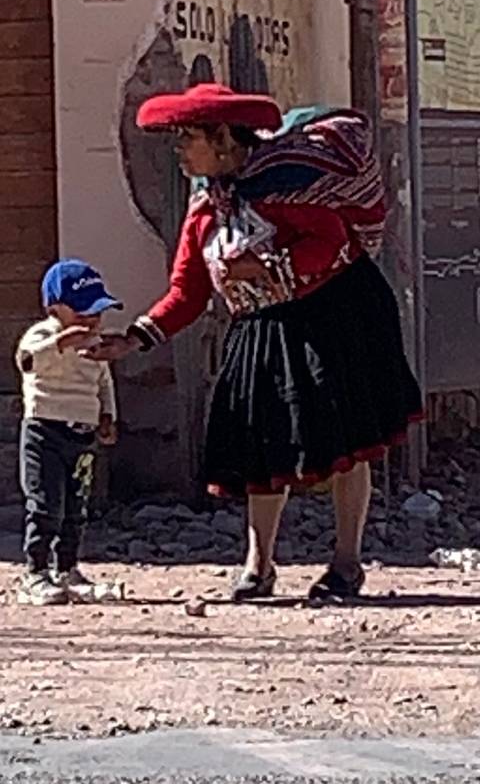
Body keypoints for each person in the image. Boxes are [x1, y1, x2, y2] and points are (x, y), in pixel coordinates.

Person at [86, 83, 422, 603]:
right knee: (262, 443)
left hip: (334, 315)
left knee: (345, 440)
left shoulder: (281, 186)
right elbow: (188, 290)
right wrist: (134, 338)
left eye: (187, 139)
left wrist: (267, 266)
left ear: (222, 139)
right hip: (262, 326)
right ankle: (258, 565)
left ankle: (346, 563)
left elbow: (330, 241)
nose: (179, 151)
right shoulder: (206, 208)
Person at [15, 259, 121, 606]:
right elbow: (27, 362)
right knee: (46, 504)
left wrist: (108, 414)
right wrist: (60, 343)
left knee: (77, 507)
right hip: (45, 432)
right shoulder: (41, 336)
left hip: (83, 434)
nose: (91, 321)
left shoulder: (96, 345)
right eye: (82, 313)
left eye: (97, 312)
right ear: (53, 309)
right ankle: (35, 573)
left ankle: (68, 569)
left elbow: (104, 381)